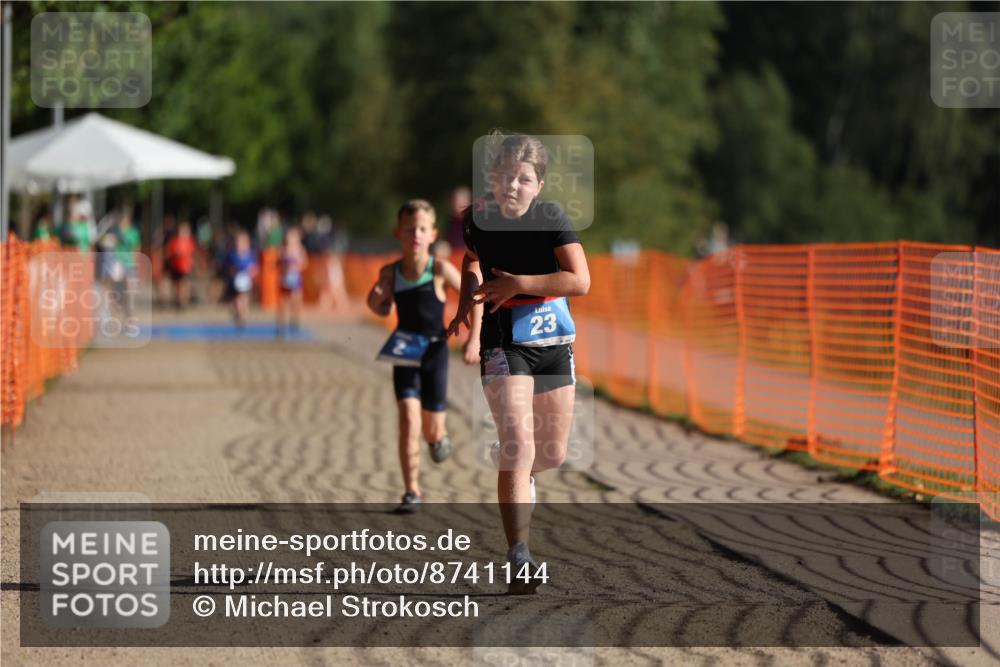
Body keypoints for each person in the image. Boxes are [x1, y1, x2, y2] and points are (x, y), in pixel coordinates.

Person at [447, 134, 590, 595]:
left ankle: (516, 467)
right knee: (519, 445)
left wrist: (520, 283)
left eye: (524, 179)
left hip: (554, 339)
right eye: (506, 176)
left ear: (539, 184)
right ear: (492, 178)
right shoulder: (477, 221)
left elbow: (580, 280)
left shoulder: (551, 217)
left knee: (552, 454)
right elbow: (472, 262)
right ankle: (519, 555)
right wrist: (468, 305)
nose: (513, 185)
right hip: (503, 341)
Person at [368, 199, 482, 514]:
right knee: (408, 418)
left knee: (431, 429)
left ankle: (437, 438)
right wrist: (376, 298)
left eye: (421, 229)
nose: (415, 235)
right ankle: (412, 491)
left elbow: (475, 296)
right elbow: (380, 306)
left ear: (432, 234)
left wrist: (474, 339)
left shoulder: (439, 269)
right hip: (404, 349)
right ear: (398, 233)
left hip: (435, 351)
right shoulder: (390, 272)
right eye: (409, 230)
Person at [277, 227, 307, 336]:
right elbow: (277, 264)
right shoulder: (282, 250)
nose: (290, 241)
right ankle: (281, 326)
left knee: (296, 302)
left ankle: (295, 322)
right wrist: (284, 267)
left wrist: (296, 266)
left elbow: (304, 264)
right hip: (285, 280)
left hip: (296, 280)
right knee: (283, 303)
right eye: (289, 239)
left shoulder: (300, 250)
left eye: (293, 239)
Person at [225, 230, 258, 329]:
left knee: (245, 298)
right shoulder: (232, 255)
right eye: (239, 242)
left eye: (244, 242)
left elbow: (255, 268)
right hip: (235, 282)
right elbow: (228, 267)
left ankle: (243, 317)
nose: (241, 245)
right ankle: (238, 313)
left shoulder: (251, 255)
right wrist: (233, 272)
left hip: (246, 282)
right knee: (237, 299)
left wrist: (251, 273)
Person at [165, 221, 196, 310]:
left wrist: (191, 262)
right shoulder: (174, 241)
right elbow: (169, 253)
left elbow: (192, 254)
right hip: (176, 267)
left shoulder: (190, 242)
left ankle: (183, 302)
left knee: (184, 284)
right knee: (177, 285)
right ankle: (179, 301)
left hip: (186, 267)